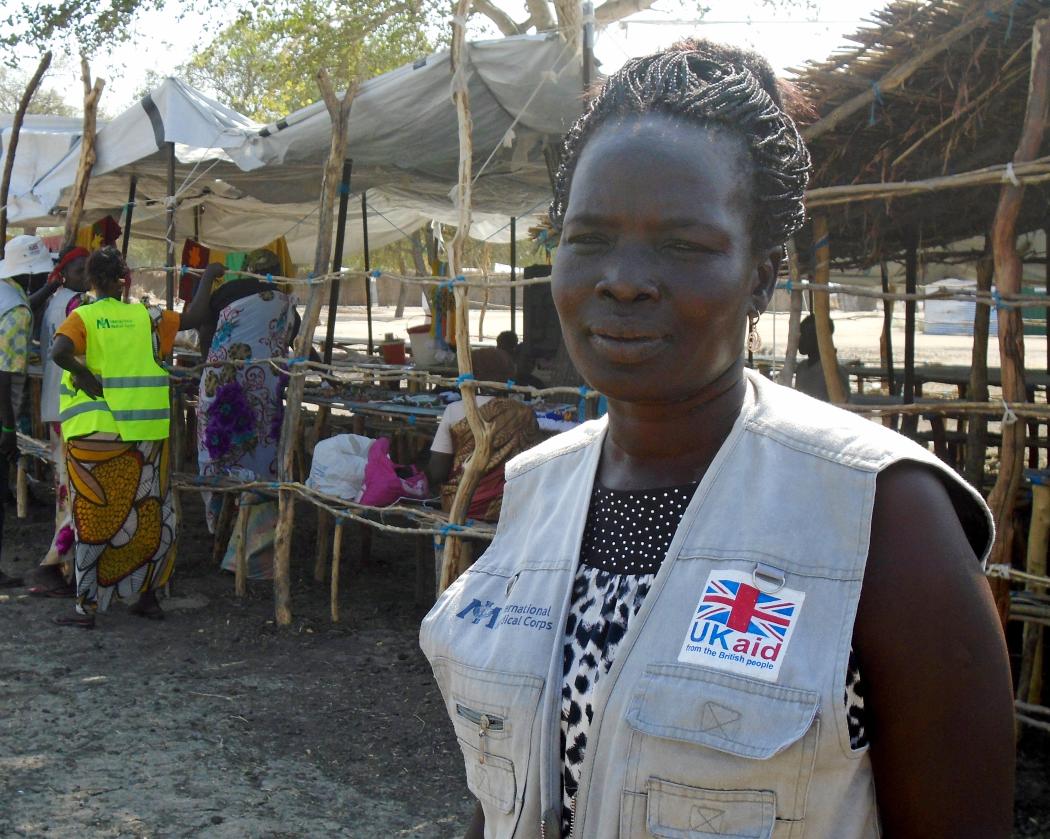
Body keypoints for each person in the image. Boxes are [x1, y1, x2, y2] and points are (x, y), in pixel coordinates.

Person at [421, 40, 1014, 839]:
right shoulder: (539, 491)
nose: (623, 277)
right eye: (589, 237)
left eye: (683, 245)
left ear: (762, 278)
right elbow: (509, 796)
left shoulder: (878, 515)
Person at [50, 247, 220, 627]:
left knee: (93, 520)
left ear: (92, 282)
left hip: (94, 439)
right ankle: (147, 597)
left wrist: (84, 375)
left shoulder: (84, 316)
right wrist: (208, 277)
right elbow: (196, 316)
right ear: (124, 281)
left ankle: (86, 608)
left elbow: (59, 351)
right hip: (145, 435)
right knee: (152, 515)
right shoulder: (148, 317)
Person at [195, 248, 299, 579]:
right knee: (260, 460)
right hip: (262, 390)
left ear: (249, 271)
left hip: (220, 384)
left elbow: (205, 335)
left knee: (219, 451)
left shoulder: (226, 293)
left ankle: (220, 529)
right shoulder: (287, 305)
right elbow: (286, 343)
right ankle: (251, 548)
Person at [26, 246, 92, 598]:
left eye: (88, 269)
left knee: (66, 490)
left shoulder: (56, 301)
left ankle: (64, 566)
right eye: (79, 269)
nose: (85, 275)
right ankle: (53, 562)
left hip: (55, 405)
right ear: (64, 273)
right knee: (76, 490)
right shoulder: (76, 305)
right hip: (71, 408)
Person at [426, 347, 541, 524]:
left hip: (460, 505)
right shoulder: (524, 413)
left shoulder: (454, 410)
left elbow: (437, 472)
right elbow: (534, 467)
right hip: (510, 505)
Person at [0, 235, 52, 588]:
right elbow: (3, 376)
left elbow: (24, 306)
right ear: (30, 274)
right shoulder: (16, 314)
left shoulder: (7, 294)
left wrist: (47, 293)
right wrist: (7, 432)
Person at [794, 312, 850, 401]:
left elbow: (843, 404)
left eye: (805, 335)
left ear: (819, 338)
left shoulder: (834, 372)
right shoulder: (802, 368)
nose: (800, 340)